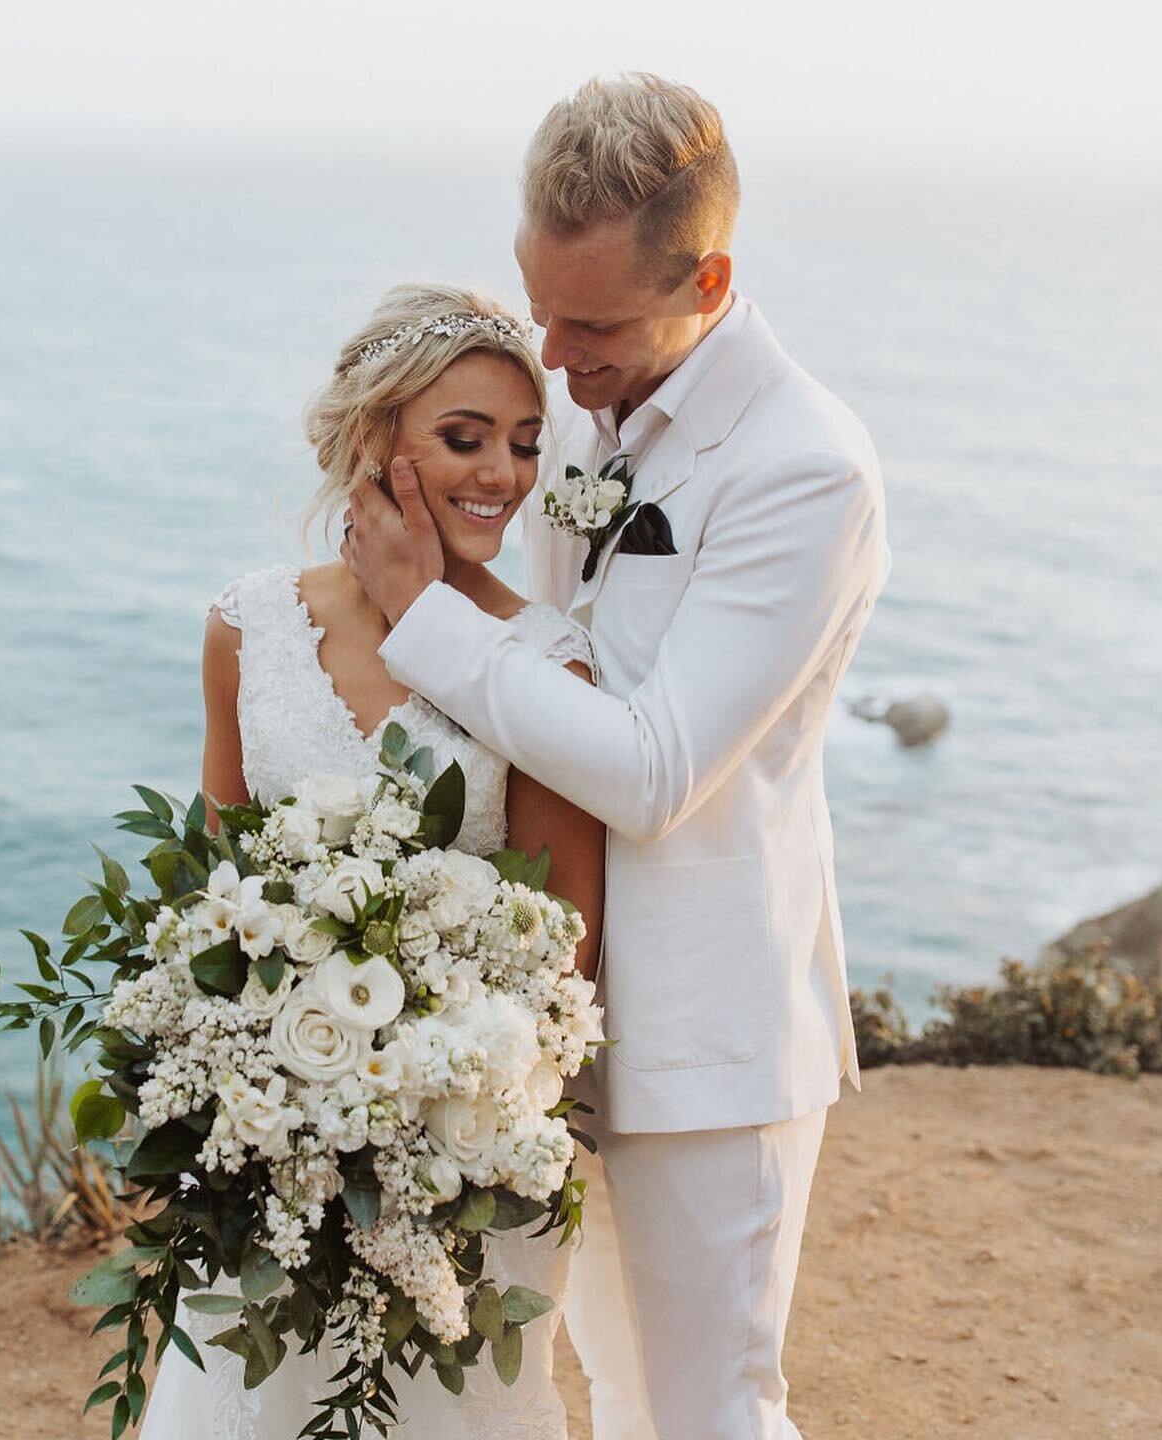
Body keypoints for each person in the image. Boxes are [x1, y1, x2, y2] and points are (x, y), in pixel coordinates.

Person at [342, 75, 891, 1440]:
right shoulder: (585, 408)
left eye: (590, 325)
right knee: (610, 1386)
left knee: (711, 1410)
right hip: (548, 1002)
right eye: (544, 307)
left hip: (711, 1035)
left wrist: (423, 626)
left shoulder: (804, 469)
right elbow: (551, 635)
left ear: (709, 279)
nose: (556, 355)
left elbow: (653, 767)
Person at [139, 282, 605, 1440]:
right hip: (272, 1165)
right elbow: (215, 892)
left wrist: (420, 1099)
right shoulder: (248, 626)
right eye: (463, 438)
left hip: (467, 1158)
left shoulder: (546, 663)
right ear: (369, 440)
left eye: (524, 442)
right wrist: (261, 1084)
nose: (502, 473)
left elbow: (569, 955)